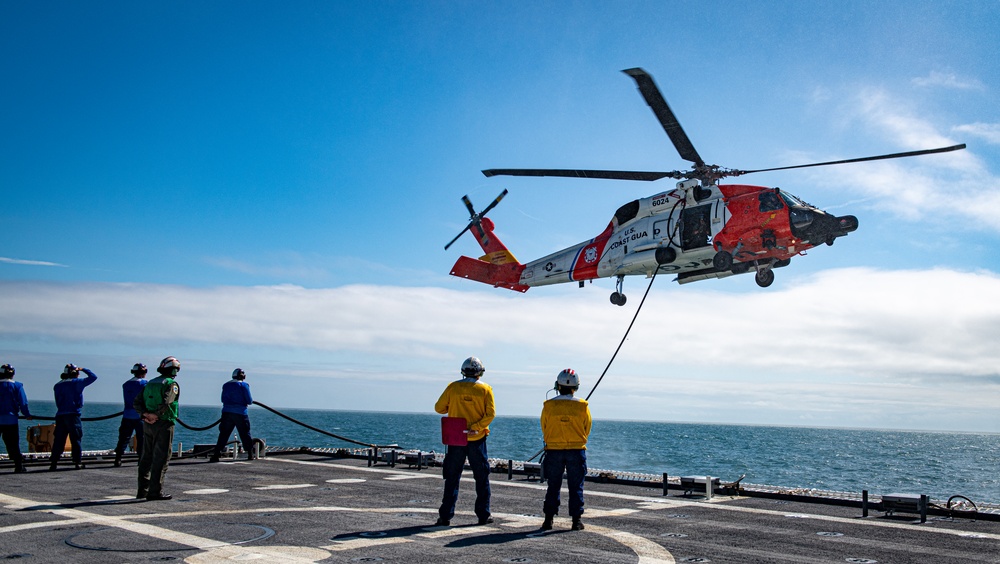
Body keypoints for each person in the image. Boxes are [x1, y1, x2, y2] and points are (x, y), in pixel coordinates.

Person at [434, 356, 495, 527]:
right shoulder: (486, 390)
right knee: (482, 477)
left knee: (452, 477)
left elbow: (439, 408)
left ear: (463, 371)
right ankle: (483, 514)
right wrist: (476, 426)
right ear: (480, 372)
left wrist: (452, 407)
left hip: (456, 438)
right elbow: (490, 414)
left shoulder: (453, 387)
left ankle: (445, 516)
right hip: (477, 437)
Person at [540, 368, 592, 531]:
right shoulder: (583, 406)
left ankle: (548, 520)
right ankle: (576, 521)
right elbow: (587, 428)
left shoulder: (548, 405)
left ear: (557, 385)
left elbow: (544, 426)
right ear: (576, 387)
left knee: (553, 485)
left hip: (554, 450)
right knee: (576, 486)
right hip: (576, 450)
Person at [135, 356, 181, 501]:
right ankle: (155, 491)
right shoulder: (171, 384)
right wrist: (155, 415)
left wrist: (145, 415)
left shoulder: (150, 383)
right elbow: (167, 402)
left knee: (146, 456)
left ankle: (142, 490)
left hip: (148, 424)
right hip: (164, 422)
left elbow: (137, 402)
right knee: (161, 457)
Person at [49, 364, 98, 470]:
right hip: (73, 415)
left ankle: (53, 462)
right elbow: (93, 377)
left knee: (58, 440)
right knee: (76, 439)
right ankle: (77, 461)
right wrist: (84, 369)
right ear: (75, 373)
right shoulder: (77, 383)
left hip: (61, 415)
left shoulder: (57, 386)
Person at [210, 368, 256, 462]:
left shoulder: (226, 385)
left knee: (223, 434)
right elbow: (249, 400)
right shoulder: (244, 385)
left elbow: (223, 399)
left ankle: (216, 454)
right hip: (240, 413)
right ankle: (250, 454)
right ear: (242, 376)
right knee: (245, 434)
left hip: (227, 413)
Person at [113, 363, 148, 467]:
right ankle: (141, 459)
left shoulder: (126, 384)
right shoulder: (145, 384)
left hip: (127, 415)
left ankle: (118, 458)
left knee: (123, 438)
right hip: (140, 415)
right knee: (142, 438)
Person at [0, 364, 32, 473]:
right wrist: (26, 414)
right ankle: (18, 466)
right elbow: (23, 402)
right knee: (14, 444)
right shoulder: (17, 386)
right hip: (11, 419)